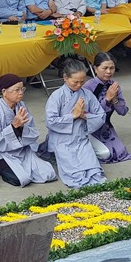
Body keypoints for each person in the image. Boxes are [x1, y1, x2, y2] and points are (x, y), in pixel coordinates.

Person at [0, 74, 57, 187]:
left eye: (22, 89)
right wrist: (13, 127)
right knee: (20, 179)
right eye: (17, 90)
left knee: (48, 174)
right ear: (4, 92)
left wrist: (22, 127)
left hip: (22, 150)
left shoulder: (22, 106)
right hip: (0, 153)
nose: (21, 92)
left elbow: (32, 130)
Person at [44, 59, 107, 188]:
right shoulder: (56, 96)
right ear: (65, 78)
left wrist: (84, 116)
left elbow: (101, 115)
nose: (79, 85)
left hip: (81, 136)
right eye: (75, 82)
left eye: (82, 82)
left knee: (94, 171)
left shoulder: (87, 94)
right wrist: (73, 115)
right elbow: (50, 121)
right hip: (62, 139)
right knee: (75, 174)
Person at [84, 53, 131, 164]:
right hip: (89, 127)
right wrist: (106, 99)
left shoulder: (114, 86)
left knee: (120, 152)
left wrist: (114, 99)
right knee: (105, 155)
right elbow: (89, 114)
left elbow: (123, 111)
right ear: (95, 69)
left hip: (105, 127)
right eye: (105, 68)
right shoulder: (88, 87)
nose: (109, 71)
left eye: (112, 68)